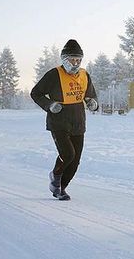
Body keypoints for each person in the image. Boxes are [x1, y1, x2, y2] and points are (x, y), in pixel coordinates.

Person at [31, 39, 98, 201]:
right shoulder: (54, 74)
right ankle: (55, 175)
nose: (75, 63)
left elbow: (90, 94)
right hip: (59, 121)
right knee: (68, 154)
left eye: (78, 60)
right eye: (71, 59)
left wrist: (92, 102)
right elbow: (36, 93)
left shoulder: (84, 75)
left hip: (78, 122)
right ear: (64, 59)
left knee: (75, 161)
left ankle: (61, 187)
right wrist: (50, 105)